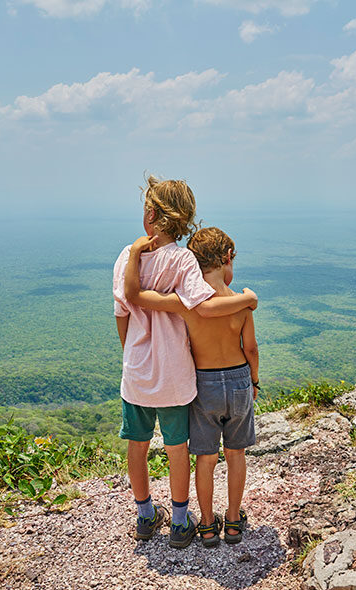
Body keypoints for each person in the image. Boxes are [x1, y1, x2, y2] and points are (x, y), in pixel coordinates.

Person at [113, 177, 257, 549]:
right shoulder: (185, 263)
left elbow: (124, 311)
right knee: (182, 448)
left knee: (139, 445)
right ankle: (184, 521)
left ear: (150, 215)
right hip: (182, 376)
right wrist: (247, 299)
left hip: (141, 375)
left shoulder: (125, 260)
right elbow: (206, 307)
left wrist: (132, 354)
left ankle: (154, 516)